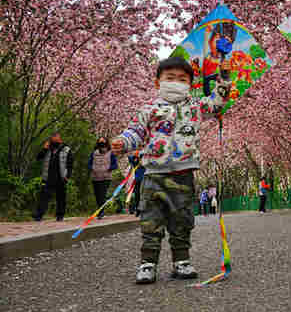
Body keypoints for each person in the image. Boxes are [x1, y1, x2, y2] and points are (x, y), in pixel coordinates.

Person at [111, 56, 231, 284]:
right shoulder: (149, 109)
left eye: (182, 79)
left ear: (190, 84)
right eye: (170, 78)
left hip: (183, 174)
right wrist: (122, 143)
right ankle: (148, 264)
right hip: (153, 175)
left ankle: (181, 261)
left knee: (182, 220)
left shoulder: (195, 106)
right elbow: (135, 132)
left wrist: (223, 77)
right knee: (150, 220)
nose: (176, 82)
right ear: (158, 83)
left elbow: (217, 102)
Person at [33, 132, 73, 222]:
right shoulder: (48, 149)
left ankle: (60, 215)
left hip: (61, 177)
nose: (54, 140)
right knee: (44, 196)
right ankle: (39, 215)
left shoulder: (66, 149)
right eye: (52, 138)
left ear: (60, 139)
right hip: (48, 177)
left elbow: (70, 164)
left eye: (56, 138)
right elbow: (38, 158)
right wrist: (44, 148)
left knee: (61, 197)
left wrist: (68, 176)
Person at [88, 137, 118, 219]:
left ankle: (101, 212)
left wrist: (108, 169)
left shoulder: (111, 153)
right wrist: (92, 168)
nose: (102, 143)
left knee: (102, 194)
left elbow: (115, 165)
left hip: (106, 177)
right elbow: (89, 163)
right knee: (97, 195)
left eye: (103, 141)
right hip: (95, 177)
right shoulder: (93, 153)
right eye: (100, 141)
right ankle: (99, 210)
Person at [127, 152, 145, 216]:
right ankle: (138, 209)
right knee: (137, 194)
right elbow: (129, 158)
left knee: (144, 194)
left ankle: (143, 209)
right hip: (137, 179)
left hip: (145, 178)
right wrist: (135, 155)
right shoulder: (134, 157)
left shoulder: (145, 155)